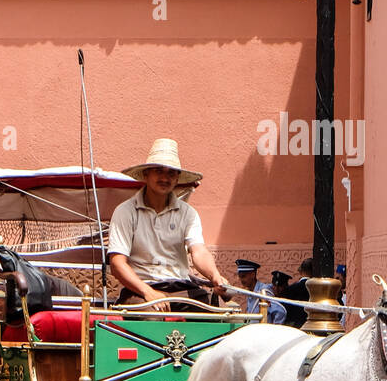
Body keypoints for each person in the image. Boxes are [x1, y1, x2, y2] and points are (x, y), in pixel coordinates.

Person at [108, 138, 230, 311]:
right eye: (159, 171)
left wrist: (215, 276)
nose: (165, 178)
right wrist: (148, 292)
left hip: (182, 287)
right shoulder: (125, 212)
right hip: (139, 289)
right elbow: (117, 264)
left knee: (221, 311)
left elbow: (199, 251)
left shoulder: (188, 213)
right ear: (146, 174)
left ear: (177, 178)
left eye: (171, 173)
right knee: (151, 317)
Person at [236, 259, 286, 323]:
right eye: (239, 277)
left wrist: (274, 330)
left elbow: (280, 312)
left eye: (243, 276)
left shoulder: (264, 291)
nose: (241, 280)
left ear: (253, 275)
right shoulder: (251, 292)